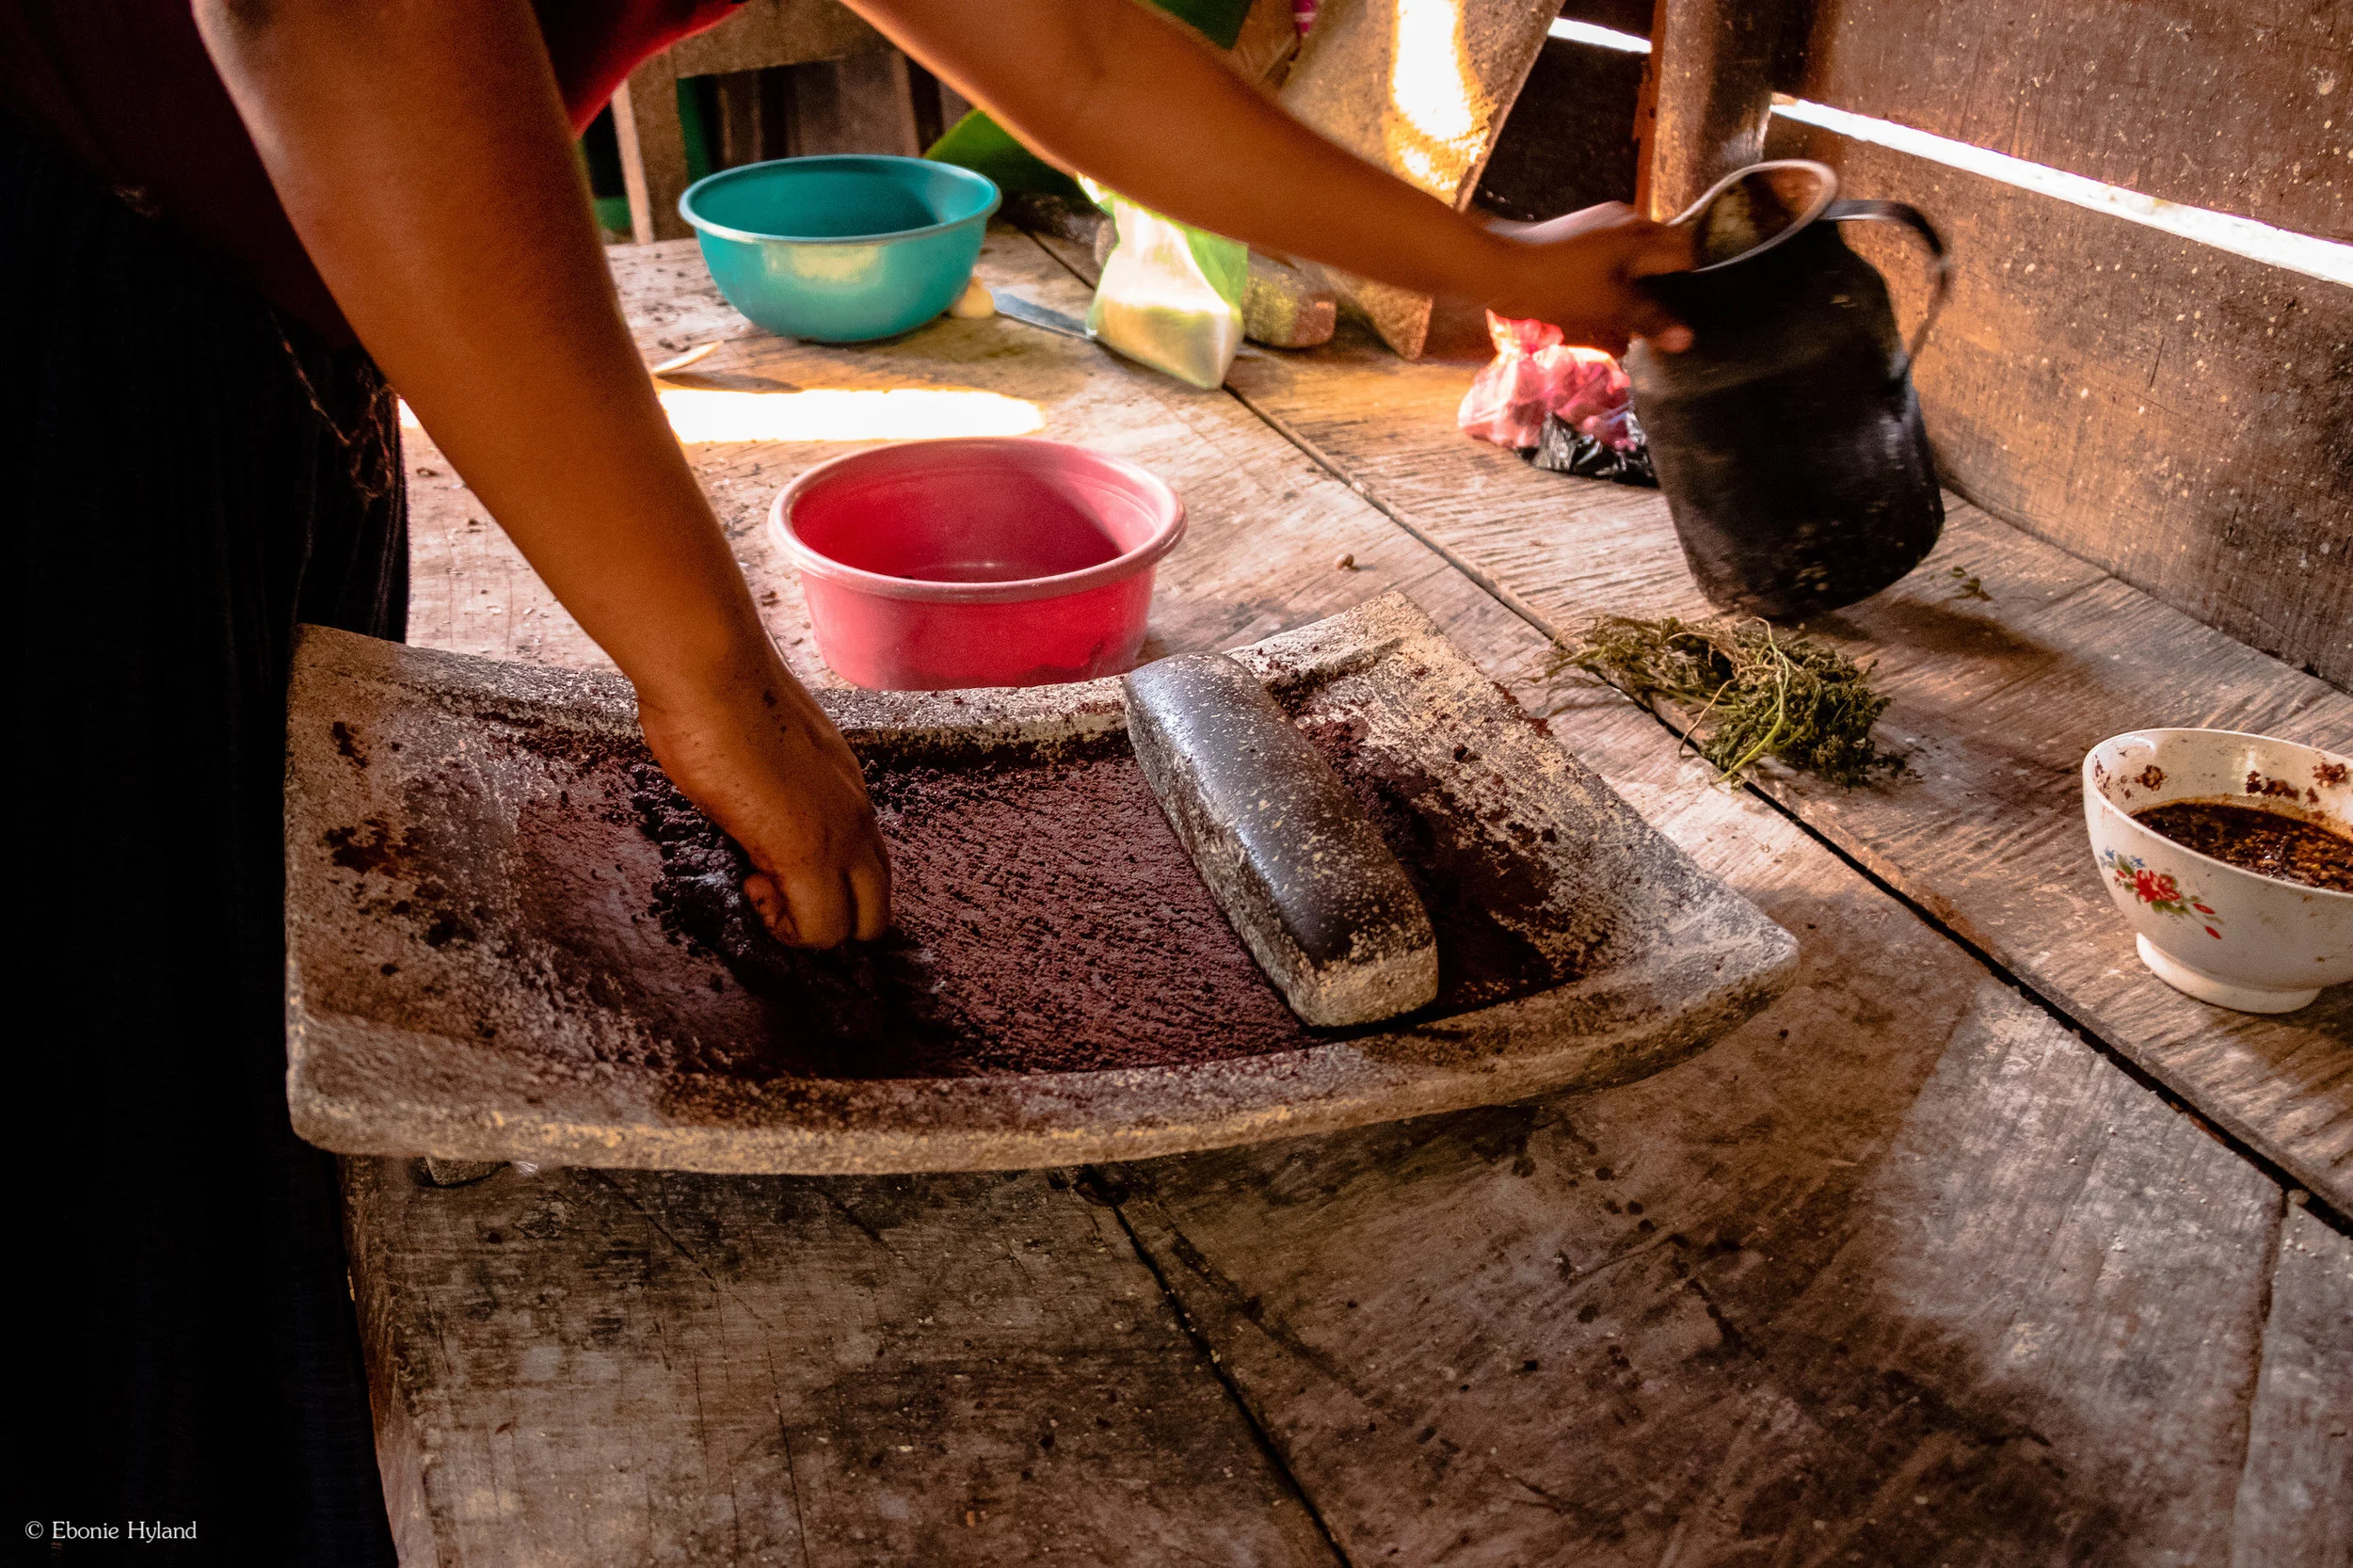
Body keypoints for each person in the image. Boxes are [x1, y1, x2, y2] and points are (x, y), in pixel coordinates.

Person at [2, 0, 1691, 1557]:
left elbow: (1081, 54)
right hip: (71, 344)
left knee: (239, 1125)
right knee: (114, 1183)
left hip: (263, 354)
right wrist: (710, 671)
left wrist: (1497, 256)